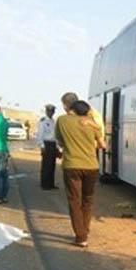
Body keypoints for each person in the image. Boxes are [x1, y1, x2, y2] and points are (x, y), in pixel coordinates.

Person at [56, 99, 106, 247]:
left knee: (74, 201)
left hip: (72, 166)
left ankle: (81, 236)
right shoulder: (91, 123)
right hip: (91, 166)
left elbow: (59, 141)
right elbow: (103, 145)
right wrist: (92, 126)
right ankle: (85, 230)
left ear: (71, 109)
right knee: (88, 199)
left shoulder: (62, 120)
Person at [36, 104, 59, 190]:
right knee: (46, 165)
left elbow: (55, 135)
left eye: (52, 111)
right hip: (46, 144)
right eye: (49, 111)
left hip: (53, 144)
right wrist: (42, 146)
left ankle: (51, 183)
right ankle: (44, 184)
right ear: (46, 111)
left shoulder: (54, 121)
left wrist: (57, 146)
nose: (51, 112)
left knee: (52, 165)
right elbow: (40, 134)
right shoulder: (43, 121)